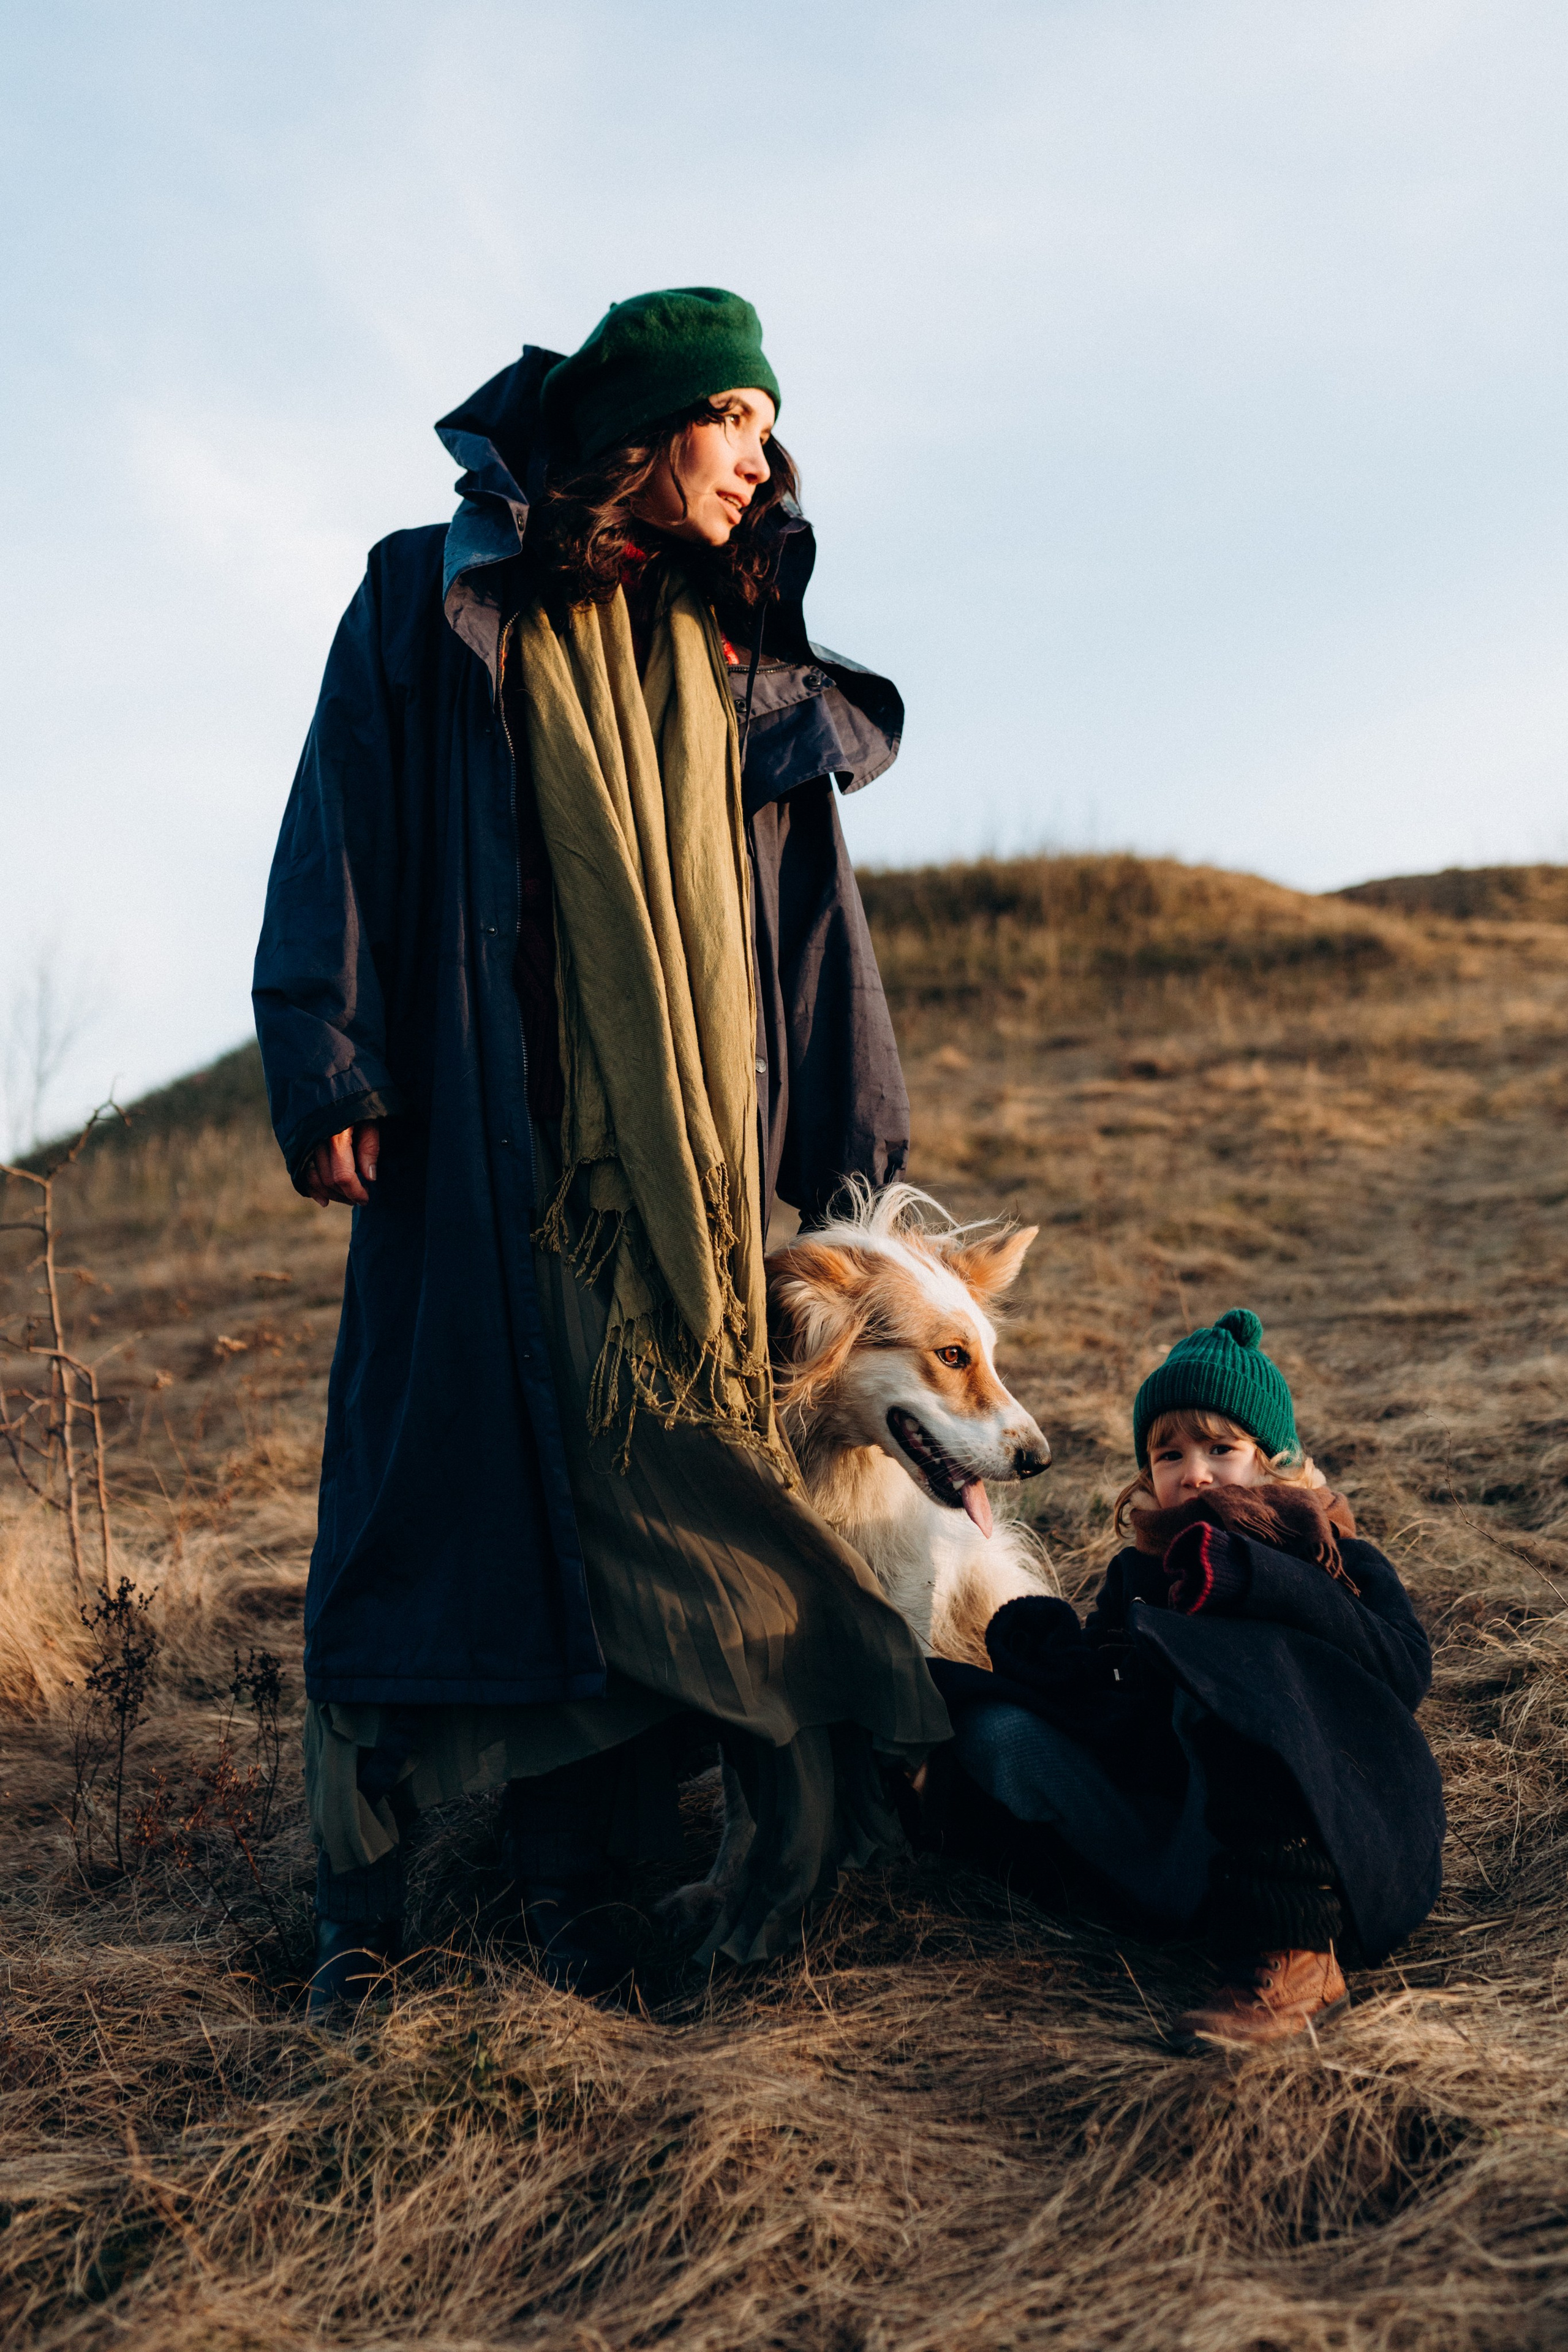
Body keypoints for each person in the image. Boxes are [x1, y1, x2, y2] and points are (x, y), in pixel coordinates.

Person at [252, 287, 950, 2007]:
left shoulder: (738, 656)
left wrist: (852, 1156)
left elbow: (809, 930)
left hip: (692, 1176)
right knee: (438, 1495)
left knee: (650, 1496)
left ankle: (592, 1887)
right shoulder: (434, 600)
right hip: (487, 1142)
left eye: (766, 430)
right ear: (644, 429)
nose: (763, 457)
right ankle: (366, 1904)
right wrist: (329, 1053)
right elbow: (342, 817)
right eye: (736, 417)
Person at [929, 1308, 1445, 2049]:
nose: (1193, 1469)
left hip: (1321, 1848)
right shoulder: (1140, 1570)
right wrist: (1056, 1660)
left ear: (1272, 1459)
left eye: (1220, 1447)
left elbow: (1403, 1671)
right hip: (1180, 1836)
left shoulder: (1330, 1551)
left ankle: (1295, 1958)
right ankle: (1028, 1870)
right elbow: (1119, 1714)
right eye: (1167, 1453)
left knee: (1231, 1662)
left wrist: (1257, 1583)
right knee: (994, 1724)